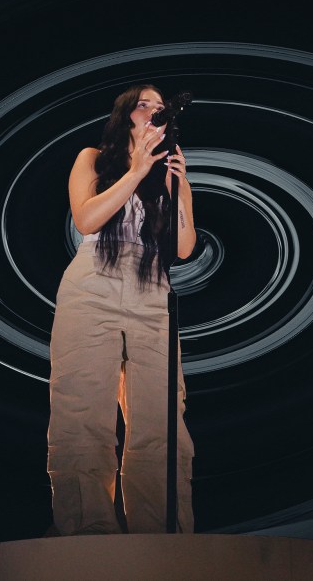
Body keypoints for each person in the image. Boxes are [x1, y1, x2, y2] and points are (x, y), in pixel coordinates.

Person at [46, 84, 196, 535]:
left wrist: (179, 188)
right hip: (95, 278)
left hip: (151, 285)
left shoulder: (169, 170)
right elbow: (87, 218)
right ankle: (87, 530)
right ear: (125, 115)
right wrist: (135, 170)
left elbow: (183, 247)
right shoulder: (93, 158)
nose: (154, 110)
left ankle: (162, 533)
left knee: (161, 416)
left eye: (159, 106)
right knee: (82, 406)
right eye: (144, 104)